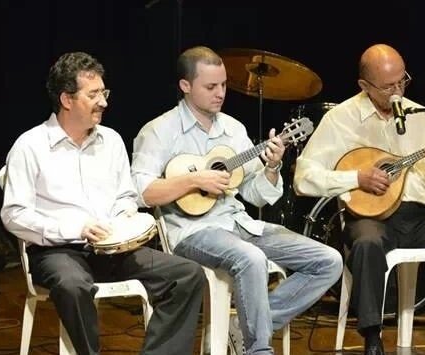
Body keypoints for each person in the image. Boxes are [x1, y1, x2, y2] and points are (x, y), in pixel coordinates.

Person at [293, 44, 425, 355]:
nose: (397, 92)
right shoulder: (341, 119)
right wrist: (356, 178)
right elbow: (303, 177)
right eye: (387, 86)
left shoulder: (421, 117)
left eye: (402, 81)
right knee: (367, 244)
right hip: (367, 218)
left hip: (420, 218)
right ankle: (372, 338)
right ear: (364, 86)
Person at [130, 46, 343, 355]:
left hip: (239, 223)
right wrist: (194, 180)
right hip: (192, 231)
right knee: (251, 258)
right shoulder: (159, 131)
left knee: (328, 261)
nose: (220, 94)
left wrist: (271, 166)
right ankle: (258, 349)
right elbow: (141, 191)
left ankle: (242, 329)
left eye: (224, 85)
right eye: (210, 87)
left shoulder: (233, 129)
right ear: (185, 86)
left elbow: (256, 193)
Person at [0, 51, 206, 355]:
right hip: (58, 251)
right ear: (67, 100)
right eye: (93, 94)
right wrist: (76, 228)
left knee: (187, 275)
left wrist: (124, 221)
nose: (104, 102)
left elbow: (126, 195)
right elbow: (14, 214)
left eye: (104, 92)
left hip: (114, 249)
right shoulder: (30, 146)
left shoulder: (111, 141)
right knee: (72, 285)